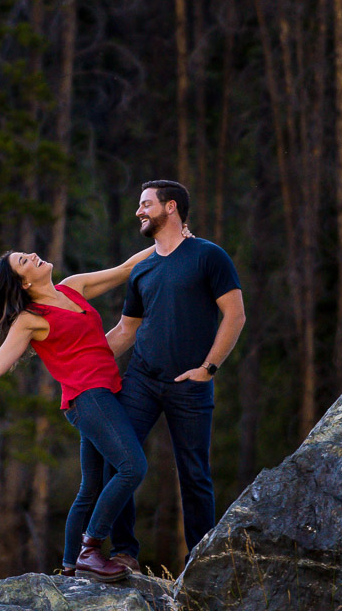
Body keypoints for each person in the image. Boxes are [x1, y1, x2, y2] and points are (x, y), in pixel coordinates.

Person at [0, 246, 153, 582]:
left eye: (26, 254)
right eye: (24, 261)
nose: (32, 255)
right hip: (89, 399)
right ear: (24, 283)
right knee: (132, 467)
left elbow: (126, 268)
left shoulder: (74, 286)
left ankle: (71, 567)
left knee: (91, 487)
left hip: (103, 395)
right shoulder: (31, 320)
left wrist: (169, 242)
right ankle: (91, 549)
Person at [103, 179, 246, 572]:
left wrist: (208, 369)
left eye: (146, 204)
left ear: (171, 207)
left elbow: (235, 315)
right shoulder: (142, 268)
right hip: (141, 380)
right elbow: (125, 331)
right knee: (118, 459)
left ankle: (200, 564)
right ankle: (124, 552)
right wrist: (81, 361)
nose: (139, 211)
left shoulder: (208, 256)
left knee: (195, 474)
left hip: (190, 384)